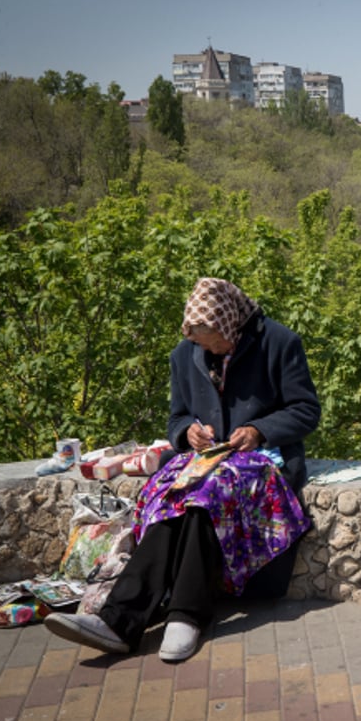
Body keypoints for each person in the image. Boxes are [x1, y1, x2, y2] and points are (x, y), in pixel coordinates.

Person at [46, 278, 321, 662]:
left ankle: (183, 616)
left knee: (205, 495)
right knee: (172, 495)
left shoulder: (279, 343)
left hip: (262, 462)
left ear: (230, 325)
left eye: (214, 342)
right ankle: (120, 621)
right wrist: (186, 432)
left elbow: (306, 411)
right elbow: (177, 418)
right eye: (200, 343)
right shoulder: (184, 354)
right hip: (207, 462)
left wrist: (260, 430)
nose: (207, 350)